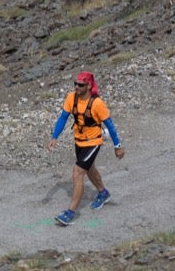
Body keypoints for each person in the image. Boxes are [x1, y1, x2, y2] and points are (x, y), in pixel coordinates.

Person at [47, 71, 124, 226]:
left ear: (88, 86)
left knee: (78, 172)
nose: (77, 87)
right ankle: (103, 192)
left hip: (93, 142)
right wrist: (54, 137)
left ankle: (70, 212)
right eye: (75, 84)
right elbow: (63, 118)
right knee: (89, 169)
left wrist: (117, 146)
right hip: (79, 141)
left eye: (80, 85)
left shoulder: (97, 104)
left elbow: (110, 125)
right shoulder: (71, 98)